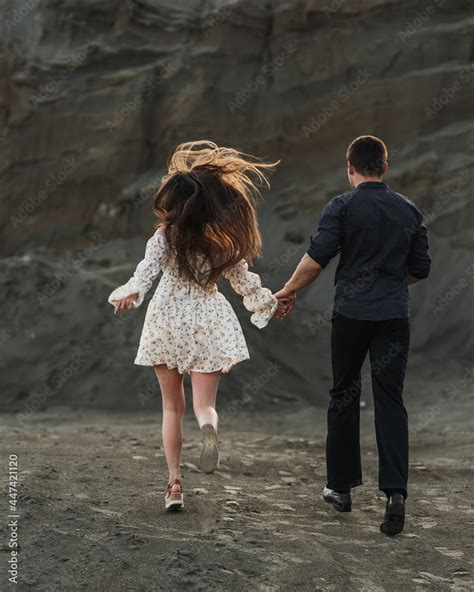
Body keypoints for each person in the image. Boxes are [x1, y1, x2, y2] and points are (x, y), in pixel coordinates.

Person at [108, 141, 285, 511]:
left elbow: (145, 273)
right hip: (209, 320)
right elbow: (244, 283)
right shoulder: (222, 242)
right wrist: (268, 304)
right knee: (205, 405)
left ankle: (174, 485)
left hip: (167, 319)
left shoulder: (164, 237)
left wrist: (130, 294)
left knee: (172, 408)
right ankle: (210, 428)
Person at [275, 135, 431, 535]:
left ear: (350, 167)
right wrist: (391, 280)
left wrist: (287, 290)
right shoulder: (408, 210)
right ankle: (395, 494)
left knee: (344, 394)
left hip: (351, 315)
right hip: (393, 316)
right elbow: (421, 268)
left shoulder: (342, 207)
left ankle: (341, 489)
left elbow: (317, 259)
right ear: (385, 166)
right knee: (390, 400)